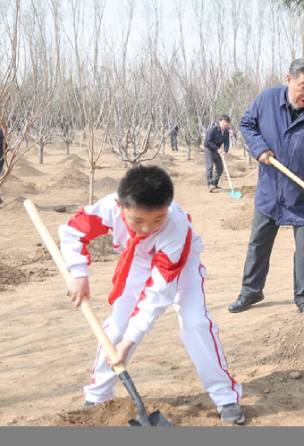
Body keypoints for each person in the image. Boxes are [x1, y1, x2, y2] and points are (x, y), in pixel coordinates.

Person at [58, 166, 244, 424]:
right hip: (138, 260)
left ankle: (225, 397)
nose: (146, 228)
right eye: (137, 221)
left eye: (157, 220)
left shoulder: (176, 227)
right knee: (116, 328)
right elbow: (72, 232)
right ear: (121, 206)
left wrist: (130, 342)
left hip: (180, 263)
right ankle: (98, 395)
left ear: (167, 208)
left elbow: (158, 294)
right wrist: (78, 273)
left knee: (196, 324)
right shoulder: (108, 208)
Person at [229, 58, 304, 314]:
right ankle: (251, 291)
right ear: (289, 79)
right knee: (258, 243)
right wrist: (259, 149)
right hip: (270, 189)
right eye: (303, 87)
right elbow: (247, 125)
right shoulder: (266, 100)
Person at [204, 114, 231, 193]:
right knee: (210, 167)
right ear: (220, 121)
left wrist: (225, 151)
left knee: (220, 168)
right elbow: (207, 142)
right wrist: (217, 149)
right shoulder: (213, 129)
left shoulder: (226, 132)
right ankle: (210, 185)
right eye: (224, 122)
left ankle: (214, 183)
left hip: (217, 150)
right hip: (209, 149)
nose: (225, 124)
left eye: (227, 122)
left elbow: (227, 143)